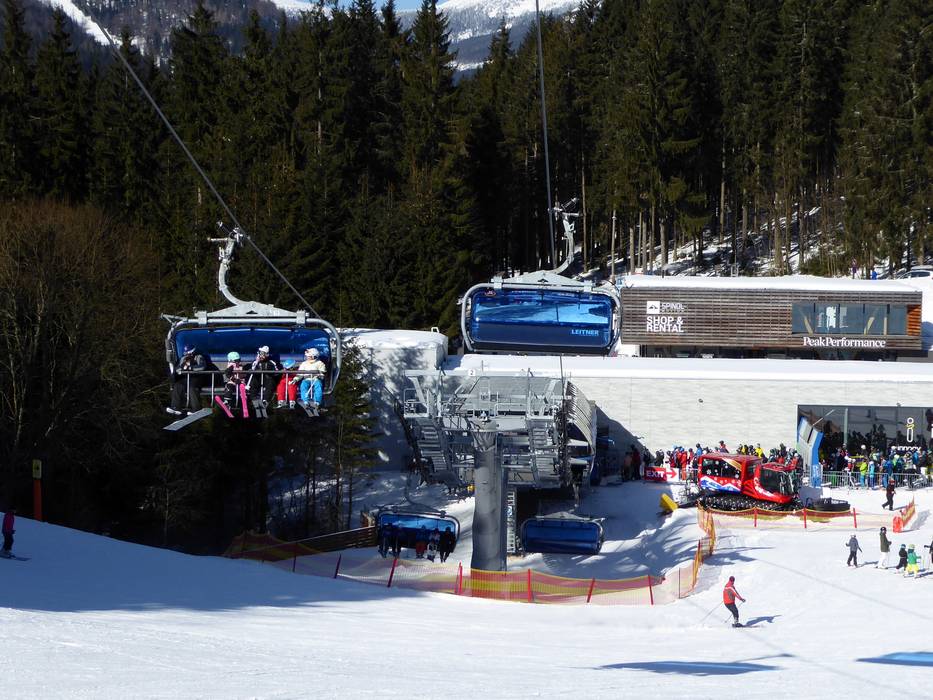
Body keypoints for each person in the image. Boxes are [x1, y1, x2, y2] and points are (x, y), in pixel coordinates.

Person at [167, 345, 208, 415]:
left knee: (192, 387)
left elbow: (202, 367)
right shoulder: (183, 359)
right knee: (178, 385)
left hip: (196, 378)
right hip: (186, 378)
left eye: (188, 353)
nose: (187, 355)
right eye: (186, 353)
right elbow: (177, 368)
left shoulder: (198, 357)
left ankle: (196, 408)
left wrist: (190, 368)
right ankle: (175, 407)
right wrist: (182, 369)